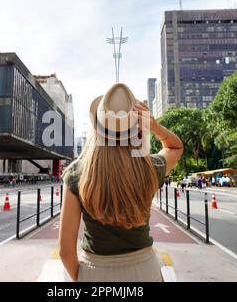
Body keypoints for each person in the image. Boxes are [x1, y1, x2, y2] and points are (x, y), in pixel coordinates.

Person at [59, 84, 184, 282]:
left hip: (95, 271)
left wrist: (83, 279)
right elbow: (175, 146)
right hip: (145, 270)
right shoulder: (150, 167)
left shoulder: (77, 173)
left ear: (97, 128)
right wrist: (155, 126)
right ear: (136, 130)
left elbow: (65, 251)